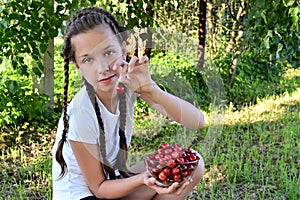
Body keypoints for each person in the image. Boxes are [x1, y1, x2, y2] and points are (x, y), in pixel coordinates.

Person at [52, 7, 205, 200]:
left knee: (193, 164)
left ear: (124, 50)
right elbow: (99, 188)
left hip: (112, 182)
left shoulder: (129, 84)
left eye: (108, 52)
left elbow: (197, 121)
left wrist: (150, 89)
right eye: (88, 59)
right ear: (78, 66)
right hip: (85, 196)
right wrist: (143, 178)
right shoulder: (81, 112)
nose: (102, 68)